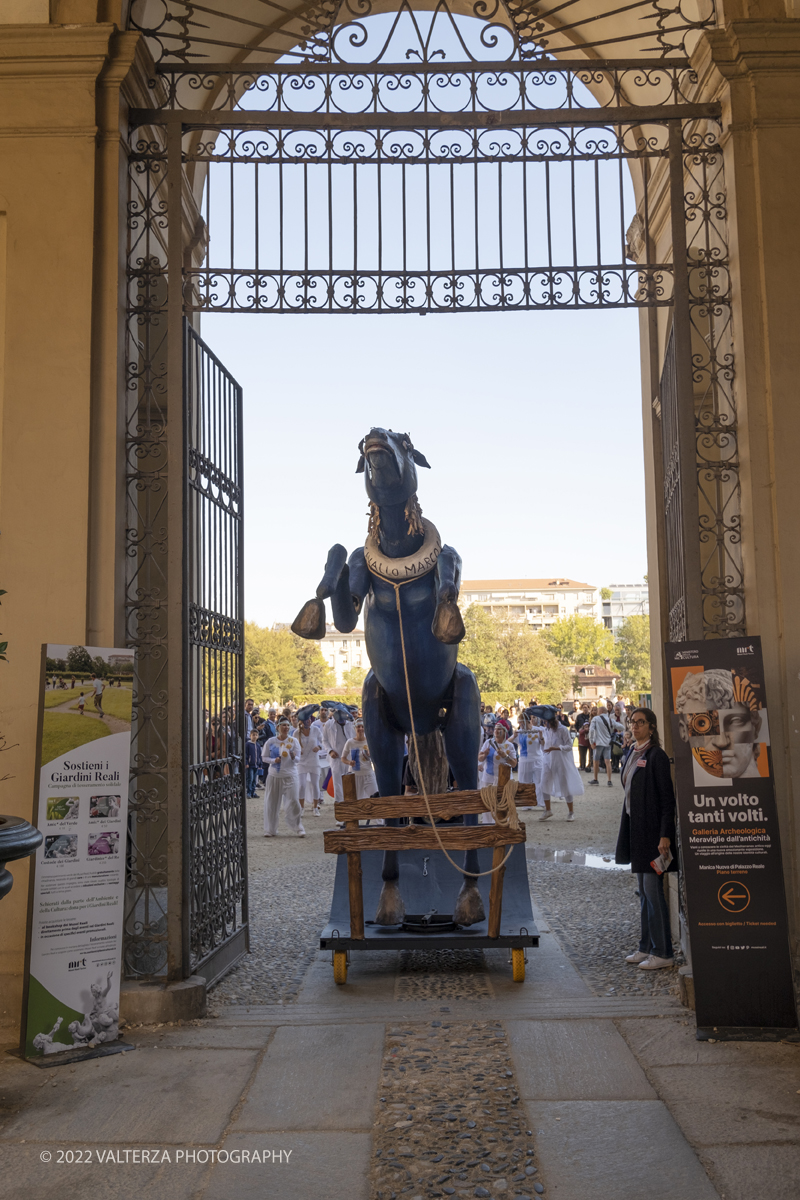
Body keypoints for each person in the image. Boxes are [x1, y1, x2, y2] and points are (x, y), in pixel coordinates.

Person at [615, 707, 677, 970]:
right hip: (636, 831)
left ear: (651, 727)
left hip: (654, 835)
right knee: (643, 893)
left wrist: (665, 835)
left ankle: (663, 952)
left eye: (641, 722)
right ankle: (646, 947)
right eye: (632, 722)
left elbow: (667, 801)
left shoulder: (656, 756)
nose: (635, 726)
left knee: (653, 893)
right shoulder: (632, 752)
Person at [536, 705, 585, 821]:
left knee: (564, 785)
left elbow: (569, 746)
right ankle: (548, 810)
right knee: (544, 783)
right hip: (548, 760)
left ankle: (571, 812)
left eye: (546, 722)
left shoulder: (562, 729)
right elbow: (544, 746)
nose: (545, 724)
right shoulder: (546, 730)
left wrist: (556, 748)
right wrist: (541, 738)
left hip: (560, 761)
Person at [262, 715, 304, 837]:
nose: (285, 727)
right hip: (274, 776)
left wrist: (293, 756)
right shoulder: (271, 741)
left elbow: (298, 760)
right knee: (271, 803)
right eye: (283, 725)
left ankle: (298, 827)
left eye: (287, 725)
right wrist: (273, 761)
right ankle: (270, 829)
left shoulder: (294, 741)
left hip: (290, 776)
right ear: (278, 727)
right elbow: (264, 757)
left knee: (294, 801)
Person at [478, 722, 517, 822]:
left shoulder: (509, 746)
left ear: (504, 731)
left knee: (502, 802)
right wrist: (485, 755)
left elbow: (514, 764)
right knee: (487, 801)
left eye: (499, 729)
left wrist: (505, 756)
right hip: (488, 777)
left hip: (504, 779)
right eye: (495, 729)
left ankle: (501, 823)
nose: (496, 731)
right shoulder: (488, 742)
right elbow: (480, 758)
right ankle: (487, 824)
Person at [323, 703, 355, 802]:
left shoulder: (351, 723)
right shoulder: (328, 724)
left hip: (349, 758)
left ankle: (351, 804)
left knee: (350, 781)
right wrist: (330, 751)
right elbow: (324, 740)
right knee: (337, 782)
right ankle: (340, 804)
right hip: (336, 758)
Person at [342, 718, 379, 801]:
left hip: (368, 774)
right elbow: (343, 758)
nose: (360, 729)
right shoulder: (350, 742)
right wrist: (349, 762)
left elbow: (377, 758)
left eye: (362, 727)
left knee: (375, 796)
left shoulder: (370, 741)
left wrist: (372, 755)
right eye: (358, 727)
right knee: (356, 800)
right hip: (354, 775)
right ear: (355, 728)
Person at [296, 705, 324, 814]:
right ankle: (301, 807)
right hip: (302, 762)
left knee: (315, 784)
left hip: (314, 761)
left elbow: (323, 741)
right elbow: (293, 745)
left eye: (309, 720)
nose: (308, 722)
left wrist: (319, 747)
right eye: (305, 720)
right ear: (301, 722)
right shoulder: (296, 732)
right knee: (301, 785)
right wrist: (298, 751)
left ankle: (315, 807)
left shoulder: (316, 730)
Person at [589, 703, 624, 787]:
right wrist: (616, 731)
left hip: (598, 743)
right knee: (608, 761)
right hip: (608, 743)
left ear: (600, 711)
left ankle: (595, 779)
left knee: (596, 761)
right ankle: (609, 780)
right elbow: (621, 727)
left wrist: (591, 741)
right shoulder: (610, 720)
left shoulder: (596, 719)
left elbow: (591, 730)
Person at [515, 710, 544, 808]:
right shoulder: (519, 732)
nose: (520, 725)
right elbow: (507, 742)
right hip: (524, 760)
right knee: (524, 782)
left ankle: (541, 802)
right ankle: (526, 803)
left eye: (522, 723)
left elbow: (543, 745)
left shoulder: (538, 730)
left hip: (537, 759)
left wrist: (541, 736)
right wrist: (514, 735)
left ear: (527, 721)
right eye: (519, 723)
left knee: (539, 781)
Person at [574, 702, 593, 772]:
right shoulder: (579, 716)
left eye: (586, 707)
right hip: (582, 735)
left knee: (591, 753)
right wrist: (579, 730)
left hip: (590, 735)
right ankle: (582, 765)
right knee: (582, 752)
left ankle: (590, 765)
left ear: (588, 708)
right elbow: (576, 725)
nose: (585, 709)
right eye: (584, 707)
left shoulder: (590, 716)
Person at [245, 729, 260, 798]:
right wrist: (246, 762)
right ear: (250, 735)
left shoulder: (258, 745)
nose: (254, 736)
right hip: (250, 765)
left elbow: (259, 755)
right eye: (253, 735)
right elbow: (246, 754)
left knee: (254, 779)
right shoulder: (248, 744)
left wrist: (260, 763)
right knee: (250, 779)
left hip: (256, 765)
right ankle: (249, 792)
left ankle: (253, 792)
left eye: (256, 735)